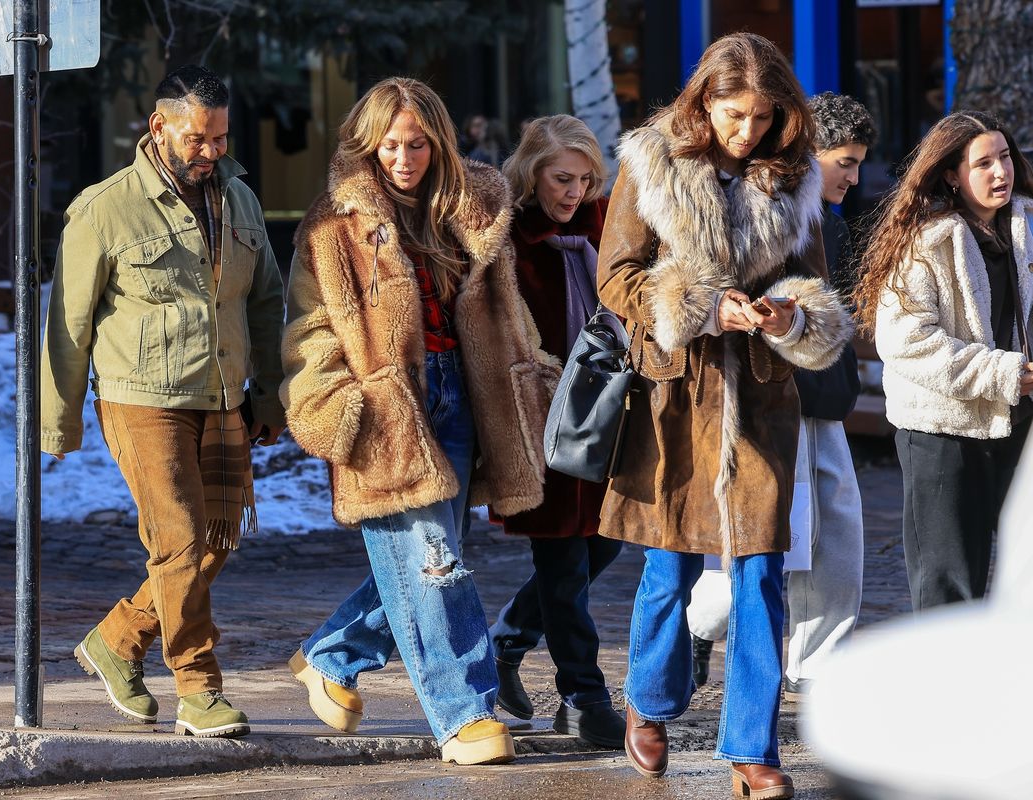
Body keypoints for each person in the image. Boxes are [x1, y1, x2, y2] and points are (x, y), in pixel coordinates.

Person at [597, 33, 852, 796]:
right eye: (734, 113)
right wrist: (702, 306)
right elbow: (616, 277)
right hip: (677, 396)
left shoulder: (797, 179)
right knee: (668, 569)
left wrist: (787, 318)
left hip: (763, 400)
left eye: (763, 116)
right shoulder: (650, 163)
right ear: (704, 100)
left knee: (761, 576)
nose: (747, 131)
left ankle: (752, 750)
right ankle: (651, 699)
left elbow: (819, 293)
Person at [280, 77, 560, 766]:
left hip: (463, 397)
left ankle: (332, 655)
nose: (404, 158)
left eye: (418, 144)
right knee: (435, 563)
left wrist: (533, 373)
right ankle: (465, 711)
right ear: (367, 146)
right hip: (387, 406)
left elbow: (507, 311)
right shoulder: (333, 222)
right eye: (390, 146)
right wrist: (344, 403)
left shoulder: (472, 209)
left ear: (438, 143)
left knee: (434, 557)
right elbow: (311, 328)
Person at [41, 65, 286, 738]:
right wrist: (58, 422)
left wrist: (269, 394)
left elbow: (264, 300)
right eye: (198, 137)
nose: (210, 151)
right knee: (177, 540)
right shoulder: (104, 207)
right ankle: (199, 689)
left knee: (211, 543)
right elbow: (67, 325)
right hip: (140, 398)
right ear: (160, 127)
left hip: (221, 394)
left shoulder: (239, 199)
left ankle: (118, 639)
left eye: (219, 137)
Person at [686, 93, 877, 701]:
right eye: (843, 161)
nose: (853, 175)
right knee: (774, 540)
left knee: (838, 540)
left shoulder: (836, 220)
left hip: (827, 398)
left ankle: (818, 667)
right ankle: (698, 623)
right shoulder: (765, 208)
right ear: (809, 152)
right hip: (773, 399)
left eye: (857, 163)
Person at [854, 110, 1033, 611]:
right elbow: (906, 341)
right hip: (943, 431)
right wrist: (1001, 373)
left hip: (1022, 420)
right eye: (983, 164)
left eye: (1005, 158)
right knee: (949, 580)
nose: (1001, 172)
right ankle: (945, 687)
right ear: (952, 175)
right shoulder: (925, 241)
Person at [485, 115, 625, 748]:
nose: (574, 192)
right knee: (563, 559)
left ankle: (508, 643)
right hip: (539, 424)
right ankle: (584, 696)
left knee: (605, 545)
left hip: (606, 415)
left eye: (586, 179)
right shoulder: (508, 238)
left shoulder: (607, 227)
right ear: (532, 172)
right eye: (561, 178)